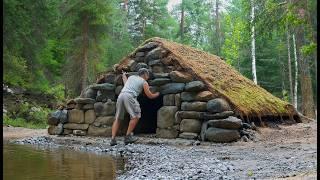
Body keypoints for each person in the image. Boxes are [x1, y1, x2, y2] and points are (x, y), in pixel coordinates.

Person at [110, 68, 160, 146]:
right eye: (148, 75)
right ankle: (128, 136)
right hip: (130, 96)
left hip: (121, 95)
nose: (148, 77)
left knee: (118, 118)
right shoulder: (144, 82)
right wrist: (157, 94)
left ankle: (113, 139)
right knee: (136, 116)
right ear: (145, 74)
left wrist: (124, 75)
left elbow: (125, 83)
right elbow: (149, 95)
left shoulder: (131, 77)